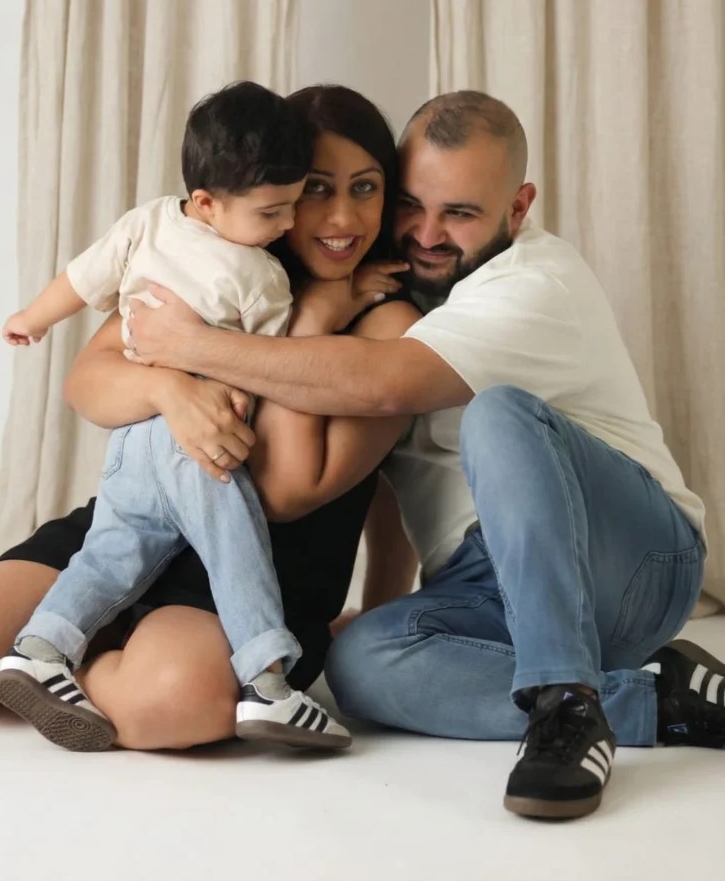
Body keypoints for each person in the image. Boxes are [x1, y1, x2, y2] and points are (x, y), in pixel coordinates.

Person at [125, 89, 725, 820]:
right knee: (360, 664)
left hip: (634, 558)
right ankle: (656, 696)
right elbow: (387, 477)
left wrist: (189, 346)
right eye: (411, 204)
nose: (427, 233)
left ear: (518, 206)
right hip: (489, 585)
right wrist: (385, 605)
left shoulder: (536, 282)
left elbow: (383, 385)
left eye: (460, 213)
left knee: (497, 412)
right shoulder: (396, 291)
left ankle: (568, 707)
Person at [0, 85, 419, 753]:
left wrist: (315, 316)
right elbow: (88, 382)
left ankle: (85, 652)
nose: (340, 215)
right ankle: (62, 648)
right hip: (136, 519)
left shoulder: (389, 325)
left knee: (168, 702)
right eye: (315, 188)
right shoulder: (218, 262)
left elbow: (286, 488)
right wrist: (172, 389)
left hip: (260, 568)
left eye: (367, 187)